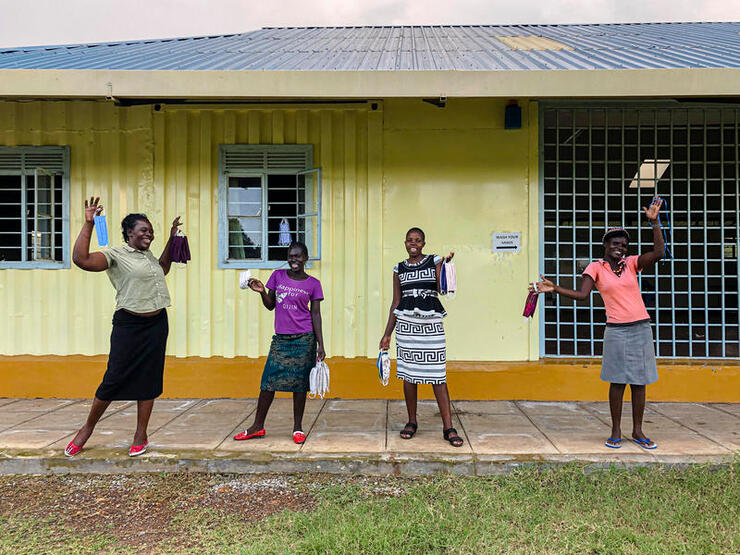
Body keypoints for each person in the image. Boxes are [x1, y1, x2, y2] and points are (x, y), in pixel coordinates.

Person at [532, 197, 665, 450]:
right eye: (615, 244)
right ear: (605, 245)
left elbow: (659, 253)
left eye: (624, 245)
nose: (620, 248)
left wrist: (654, 222)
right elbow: (583, 296)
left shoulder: (632, 264)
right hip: (616, 330)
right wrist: (554, 288)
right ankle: (615, 431)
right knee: (617, 381)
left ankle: (637, 431)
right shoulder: (596, 267)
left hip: (640, 328)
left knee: (639, 381)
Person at [65, 197, 182, 457]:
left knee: (150, 377)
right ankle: (87, 428)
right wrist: (89, 224)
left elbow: (162, 268)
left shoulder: (148, 256)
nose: (149, 234)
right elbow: (81, 259)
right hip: (129, 325)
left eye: (151, 231)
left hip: (157, 324)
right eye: (144, 230)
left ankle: (141, 434)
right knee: (114, 377)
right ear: (130, 233)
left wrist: (172, 238)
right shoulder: (115, 255)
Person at [234, 241, 325, 445]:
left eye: (298, 256)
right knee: (268, 382)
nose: (294, 259)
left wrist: (320, 344)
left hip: (304, 339)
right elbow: (271, 306)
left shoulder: (313, 284)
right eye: (291, 256)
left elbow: (316, 315)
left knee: (300, 385)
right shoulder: (277, 276)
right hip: (281, 340)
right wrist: (262, 292)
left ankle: (297, 428)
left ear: (306, 258)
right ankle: (257, 426)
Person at [379, 228, 463, 447]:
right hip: (407, 327)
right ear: (405, 243)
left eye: (417, 240)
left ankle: (448, 427)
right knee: (409, 376)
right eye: (409, 240)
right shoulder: (398, 269)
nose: (413, 243)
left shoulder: (434, 261)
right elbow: (396, 303)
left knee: (437, 375)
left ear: (423, 243)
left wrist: (445, 267)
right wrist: (388, 333)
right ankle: (412, 421)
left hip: (431, 326)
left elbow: (441, 287)